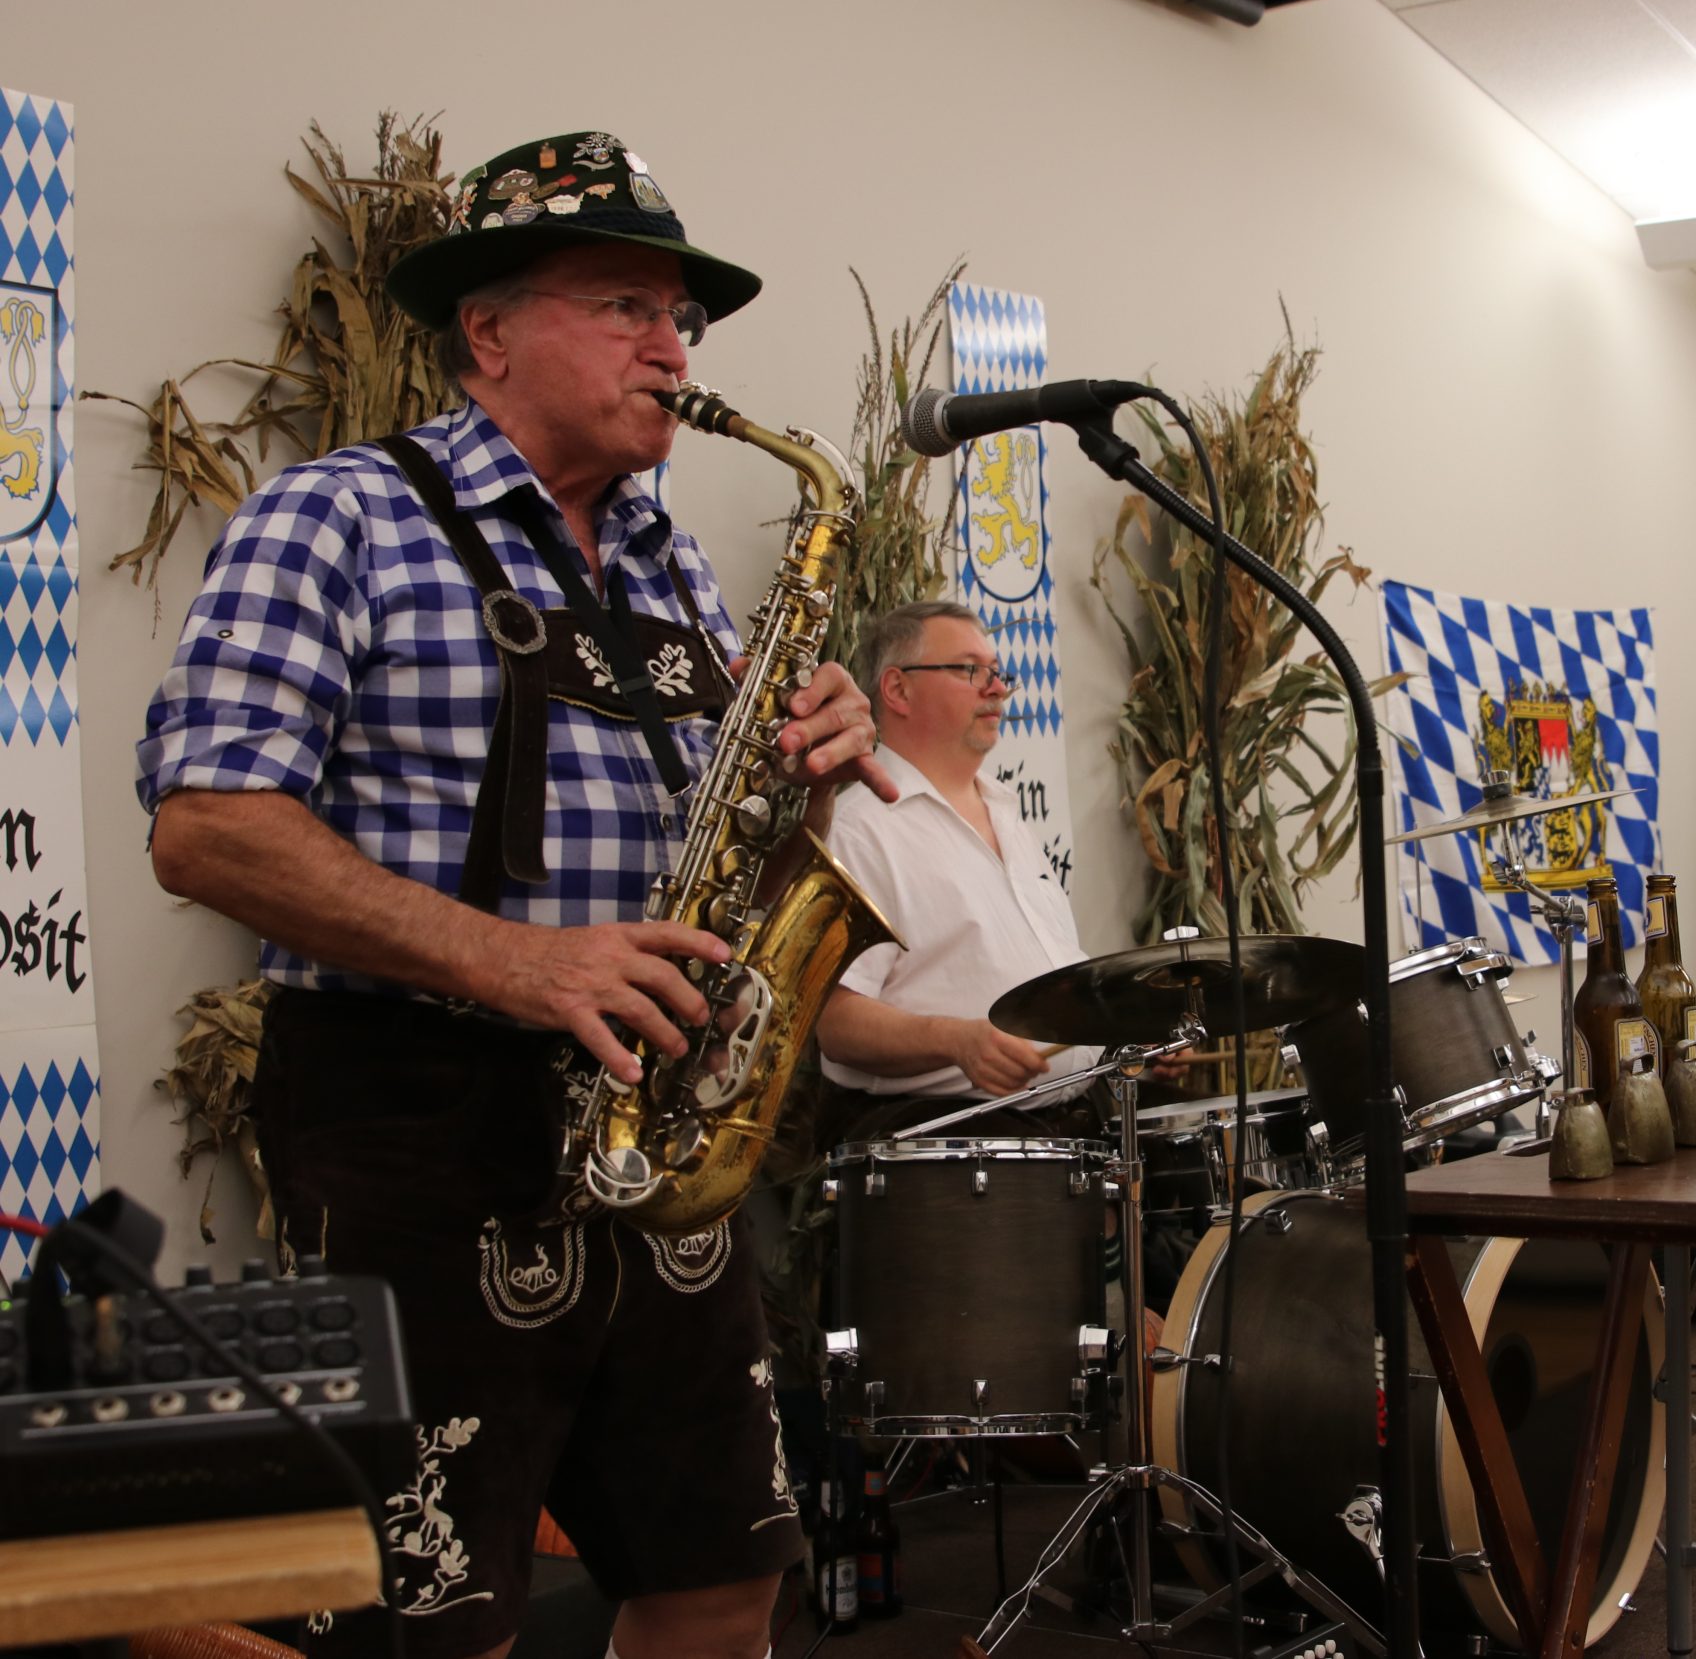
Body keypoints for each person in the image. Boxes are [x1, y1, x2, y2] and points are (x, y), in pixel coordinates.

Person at [135, 131, 893, 1659]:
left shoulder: (678, 567)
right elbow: (210, 825)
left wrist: (814, 760)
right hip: (420, 1120)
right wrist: (520, 963)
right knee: (441, 1618)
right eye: (625, 305)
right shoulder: (338, 515)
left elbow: (728, 839)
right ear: (488, 331)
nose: (672, 346)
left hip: (654, 1125)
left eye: (683, 316)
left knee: (721, 1576)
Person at [811, 599, 1098, 1133]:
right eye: (971, 671)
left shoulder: (1008, 813)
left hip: (1072, 1130)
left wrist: (1117, 1036)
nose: (997, 688)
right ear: (897, 690)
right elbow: (834, 1022)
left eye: (997, 673)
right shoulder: (860, 828)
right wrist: (955, 1040)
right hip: (949, 1151)